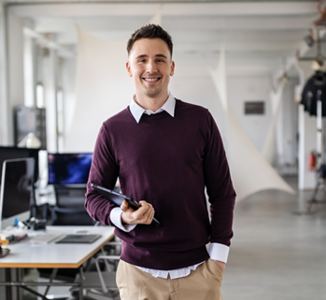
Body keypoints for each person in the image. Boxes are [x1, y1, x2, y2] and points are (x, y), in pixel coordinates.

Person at [85, 24, 236, 300]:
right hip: (137, 276)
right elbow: (93, 196)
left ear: (172, 67)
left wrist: (218, 257)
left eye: (160, 59)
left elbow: (222, 193)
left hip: (199, 272)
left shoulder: (200, 121)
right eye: (141, 60)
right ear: (129, 68)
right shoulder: (112, 130)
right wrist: (124, 217)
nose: (151, 68)